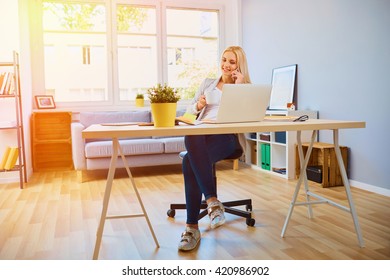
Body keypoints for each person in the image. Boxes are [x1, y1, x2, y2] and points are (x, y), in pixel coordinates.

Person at [178, 46, 252, 251]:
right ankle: (211, 202)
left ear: (239, 66)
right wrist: (198, 106)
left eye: (232, 62)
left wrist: (238, 88)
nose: (226, 65)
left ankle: (192, 227)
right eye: (224, 60)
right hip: (202, 135)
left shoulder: (245, 87)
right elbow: (188, 115)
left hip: (227, 138)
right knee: (191, 141)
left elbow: (247, 118)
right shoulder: (207, 84)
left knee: (188, 160)